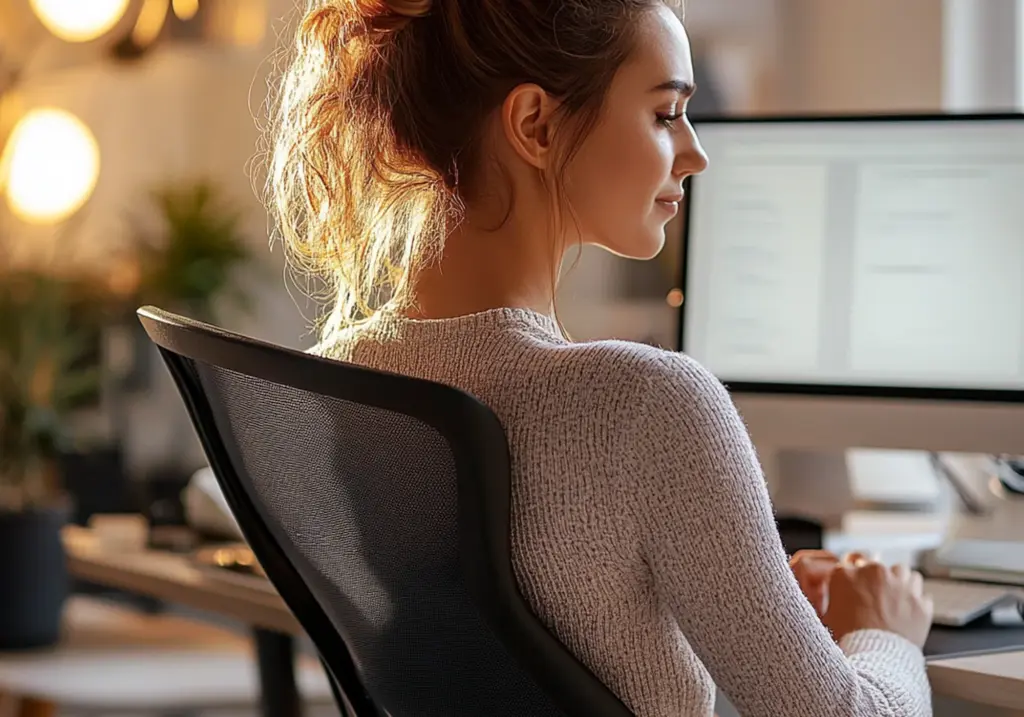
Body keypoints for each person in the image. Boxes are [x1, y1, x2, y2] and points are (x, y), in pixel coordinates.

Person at [268, 1, 934, 714]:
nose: (696, 153)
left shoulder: (333, 383)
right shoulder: (646, 402)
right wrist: (883, 629)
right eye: (664, 113)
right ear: (536, 125)